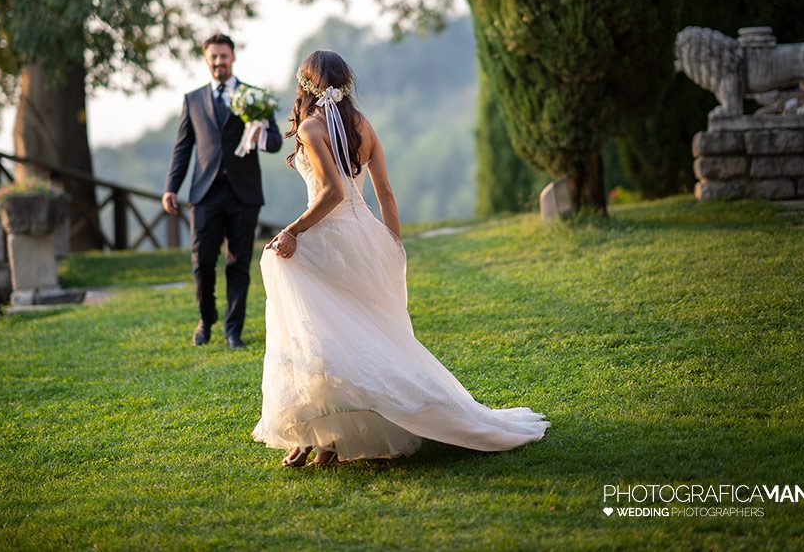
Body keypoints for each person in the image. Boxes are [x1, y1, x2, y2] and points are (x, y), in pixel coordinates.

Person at [252, 50, 549, 467]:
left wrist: (292, 231)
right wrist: (392, 246)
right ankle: (324, 438)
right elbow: (386, 194)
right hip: (366, 236)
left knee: (294, 289)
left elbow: (332, 193)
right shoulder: (363, 125)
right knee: (361, 332)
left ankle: (316, 433)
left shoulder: (311, 127)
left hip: (331, 236)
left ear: (305, 86)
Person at [162, 33, 283, 349]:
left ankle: (233, 331)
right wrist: (171, 188)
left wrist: (258, 135)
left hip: (244, 194)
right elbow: (182, 148)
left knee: (238, 263)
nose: (219, 62)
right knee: (202, 261)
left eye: (224, 56)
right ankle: (206, 319)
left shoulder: (254, 97)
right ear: (206, 60)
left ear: (233, 57)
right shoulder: (192, 100)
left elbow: (275, 143)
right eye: (213, 57)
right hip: (205, 194)